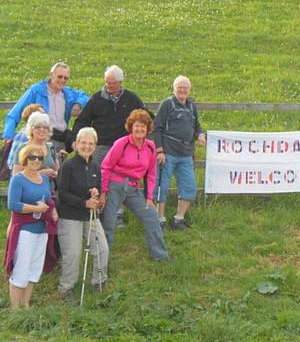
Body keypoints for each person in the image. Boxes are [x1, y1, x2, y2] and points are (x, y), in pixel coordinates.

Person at [72, 65, 146, 229]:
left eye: (112, 83)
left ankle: (117, 212)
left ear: (121, 82)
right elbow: (82, 120)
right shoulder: (97, 99)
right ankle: (96, 211)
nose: (109, 86)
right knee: (96, 177)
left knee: (119, 180)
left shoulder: (132, 99)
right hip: (102, 146)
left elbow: (146, 118)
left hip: (125, 148)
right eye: (107, 82)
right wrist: (75, 142)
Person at [99, 109, 169, 261]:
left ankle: (160, 256)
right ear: (131, 127)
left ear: (148, 129)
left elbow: (151, 174)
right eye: (137, 126)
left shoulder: (150, 146)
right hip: (114, 185)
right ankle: (102, 260)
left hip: (133, 189)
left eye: (143, 126)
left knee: (152, 216)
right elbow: (106, 167)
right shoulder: (121, 143)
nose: (140, 129)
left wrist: (149, 197)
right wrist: (103, 192)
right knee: (109, 223)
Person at [3, 144, 58, 309]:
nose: (36, 161)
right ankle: (15, 308)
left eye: (39, 158)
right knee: (21, 267)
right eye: (32, 157)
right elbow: (12, 204)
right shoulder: (18, 179)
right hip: (25, 230)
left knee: (34, 267)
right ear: (25, 159)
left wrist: (53, 209)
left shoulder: (45, 179)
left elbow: (48, 199)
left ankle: (26, 304)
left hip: (42, 229)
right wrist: (36, 209)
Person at [57, 127, 109, 301]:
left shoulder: (95, 165)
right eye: (83, 143)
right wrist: (83, 202)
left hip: (89, 215)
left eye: (91, 143)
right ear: (77, 144)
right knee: (72, 253)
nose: (87, 146)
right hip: (70, 215)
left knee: (102, 248)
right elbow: (62, 193)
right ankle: (66, 288)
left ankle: (98, 281)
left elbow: (98, 187)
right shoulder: (68, 165)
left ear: (95, 146)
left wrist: (95, 193)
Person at [152, 75, 205, 230]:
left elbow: (197, 126)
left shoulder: (191, 106)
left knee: (190, 187)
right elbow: (157, 128)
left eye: (185, 88)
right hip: (168, 152)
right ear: (173, 88)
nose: (182, 90)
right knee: (162, 186)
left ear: (189, 90)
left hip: (186, 154)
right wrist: (159, 150)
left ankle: (178, 218)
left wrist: (200, 134)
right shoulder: (167, 104)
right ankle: (159, 218)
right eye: (179, 87)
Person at [2, 62, 89, 154]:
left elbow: (84, 95)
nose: (62, 80)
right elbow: (15, 113)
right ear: (51, 75)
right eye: (59, 77)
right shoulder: (36, 90)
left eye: (65, 78)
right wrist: (8, 135)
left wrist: (78, 104)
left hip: (61, 140)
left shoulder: (68, 93)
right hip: (42, 138)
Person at [12, 113, 59, 193]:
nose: (42, 129)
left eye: (45, 127)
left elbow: (57, 168)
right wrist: (40, 174)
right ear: (31, 129)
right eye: (37, 127)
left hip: (49, 194)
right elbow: (16, 177)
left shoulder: (50, 147)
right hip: (29, 195)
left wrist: (56, 173)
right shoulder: (23, 149)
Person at [7, 104, 45, 172]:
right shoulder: (27, 135)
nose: (45, 117)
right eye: (41, 115)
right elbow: (19, 162)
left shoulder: (24, 131)